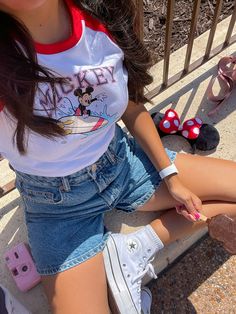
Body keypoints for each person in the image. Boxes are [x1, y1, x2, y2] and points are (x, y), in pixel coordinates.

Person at [0, 0, 235, 313]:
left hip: (122, 163)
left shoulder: (103, 15)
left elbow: (131, 104)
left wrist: (170, 175)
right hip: (58, 208)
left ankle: (137, 247)